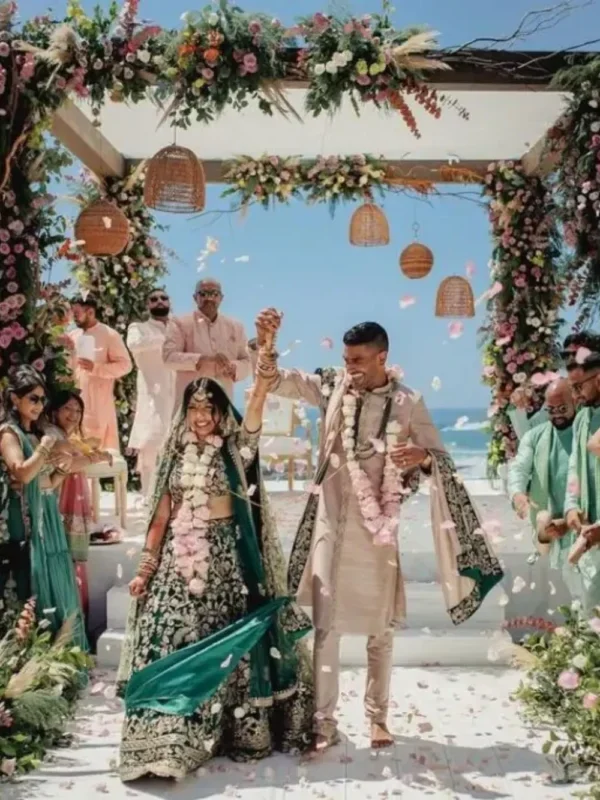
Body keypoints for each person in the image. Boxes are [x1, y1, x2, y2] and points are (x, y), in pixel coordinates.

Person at [251, 311, 504, 752]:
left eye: (359, 360)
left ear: (382, 357)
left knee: (380, 631)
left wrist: (422, 457)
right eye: (347, 359)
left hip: (379, 533)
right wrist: (267, 343)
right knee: (326, 629)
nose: (350, 368)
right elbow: (279, 381)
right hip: (330, 527)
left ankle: (377, 718)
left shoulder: (408, 402)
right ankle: (323, 724)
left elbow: (438, 459)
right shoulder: (332, 387)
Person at [116, 334, 313, 782]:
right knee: (167, 635)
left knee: (227, 652)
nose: (201, 417)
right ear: (185, 413)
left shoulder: (235, 450)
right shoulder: (174, 451)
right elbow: (162, 513)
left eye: (209, 409)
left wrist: (261, 374)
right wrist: (147, 566)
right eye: (194, 409)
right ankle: (163, 739)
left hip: (227, 563)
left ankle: (225, 732)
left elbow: (256, 419)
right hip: (177, 562)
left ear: (221, 413)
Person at [0, 367, 87, 648]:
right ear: (15, 399)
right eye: (33, 399)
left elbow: (45, 482)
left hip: (47, 517)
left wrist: (61, 471)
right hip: (24, 520)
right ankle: (31, 653)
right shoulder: (8, 434)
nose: (39, 406)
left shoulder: (37, 434)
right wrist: (45, 447)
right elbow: (22, 474)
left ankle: (60, 653)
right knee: (31, 583)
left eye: (41, 400)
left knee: (55, 574)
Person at [46, 390, 112, 617]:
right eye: (68, 408)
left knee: (73, 563)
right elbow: (69, 465)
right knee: (65, 563)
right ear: (54, 411)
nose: (74, 415)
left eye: (78, 410)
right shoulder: (51, 434)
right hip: (59, 505)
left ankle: (75, 626)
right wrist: (97, 457)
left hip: (70, 505)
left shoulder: (64, 435)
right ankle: (68, 626)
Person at [507, 379, 577, 589]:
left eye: (562, 408)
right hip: (551, 527)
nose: (556, 414)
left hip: (583, 523)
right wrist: (517, 494)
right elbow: (519, 468)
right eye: (551, 409)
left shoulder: (588, 431)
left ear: (575, 400)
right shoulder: (535, 436)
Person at [163, 278, 250, 408]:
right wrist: (203, 359)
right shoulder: (180, 323)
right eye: (203, 294)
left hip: (222, 403)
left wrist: (234, 368)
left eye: (214, 294)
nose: (209, 298)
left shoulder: (235, 327)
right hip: (189, 404)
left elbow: (247, 362)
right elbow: (168, 358)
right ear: (195, 297)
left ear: (221, 298)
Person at [66, 295, 132, 451]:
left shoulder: (109, 334)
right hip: (72, 404)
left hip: (98, 406)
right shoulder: (73, 335)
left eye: (77, 313)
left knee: (96, 457)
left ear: (90, 312)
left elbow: (126, 365)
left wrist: (96, 368)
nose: (74, 317)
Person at [127, 289, 175, 497]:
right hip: (152, 397)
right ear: (147, 305)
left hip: (178, 396)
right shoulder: (139, 328)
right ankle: (149, 498)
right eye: (153, 299)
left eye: (163, 298)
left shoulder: (178, 328)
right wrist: (166, 339)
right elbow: (135, 344)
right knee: (150, 447)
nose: (159, 301)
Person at [563, 347, 600, 606]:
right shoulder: (582, 419)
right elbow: (574, 470)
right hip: (588, 533)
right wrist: (571, 508)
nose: (575, 395)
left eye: (579, 387)